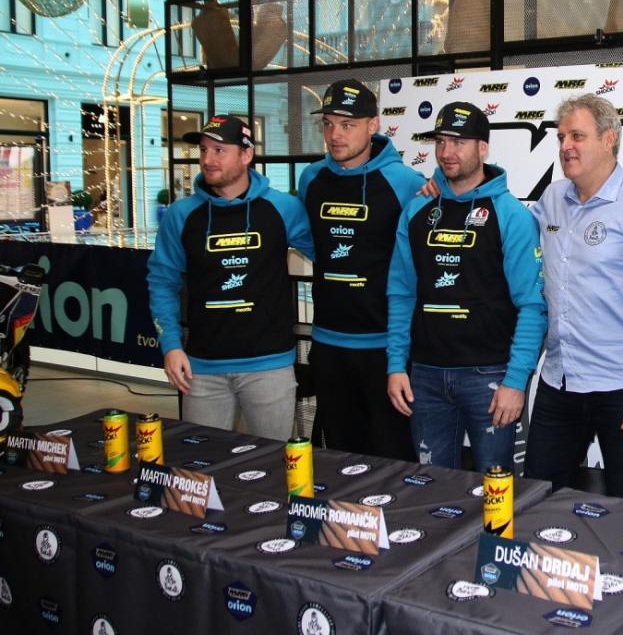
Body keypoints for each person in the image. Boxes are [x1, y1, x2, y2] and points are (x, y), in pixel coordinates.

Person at [522, 95, 623, 501]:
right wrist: (445, 190)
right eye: (561, 137)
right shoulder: (552, 199)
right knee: (537, 500)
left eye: (577, 136)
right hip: (559, 380)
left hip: (622, 389)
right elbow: (507, 229)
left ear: (609, 139)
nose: (565, 146)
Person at [386, 102, 545, 470]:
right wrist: (396, 365)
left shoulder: (511, 215)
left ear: (482, 148)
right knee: (431, 486)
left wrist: (515, 381)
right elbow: (401, 294)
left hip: (489, 377)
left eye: (458, 142)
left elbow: (533, 306)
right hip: (425, 375)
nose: (447, 152)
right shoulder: (417, 210)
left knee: (496, 489)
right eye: (441, 142)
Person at [148, 115, 313, 439]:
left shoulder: (283, 208)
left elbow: (334, 256)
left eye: (219, 150)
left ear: (246, 154)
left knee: (274, 463)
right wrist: (170, 345)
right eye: (204, 150)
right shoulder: (181, 215)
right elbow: (162, 282)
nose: (208, 159)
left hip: (269, 367)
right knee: (199, 462)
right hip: (202, 369)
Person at [297, 78, 426, 459]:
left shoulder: (405, 182)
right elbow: (313, 243)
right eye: (328, 124)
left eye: (347, 125)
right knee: (340, 459)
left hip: (385, 348)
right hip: (328, 343)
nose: (335, 135)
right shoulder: (311, 179)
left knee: (393, 459)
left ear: (373, 125)